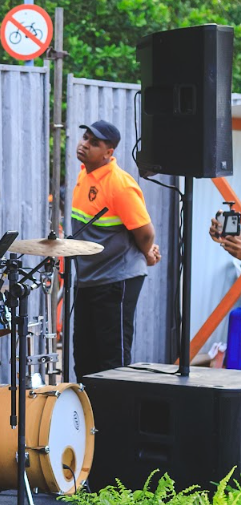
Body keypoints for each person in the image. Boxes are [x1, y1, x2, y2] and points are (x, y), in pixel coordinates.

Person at [71, 120, 160, 380]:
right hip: (88, 279)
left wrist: (147, 252)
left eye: (94, 143)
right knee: (84, 358)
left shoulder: (120, 185)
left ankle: (115, 421)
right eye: (85, 138)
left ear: (109, 153)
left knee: (112, 362)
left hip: (116, 281)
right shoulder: (84, 174)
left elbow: (145, 232)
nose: (84, 144)